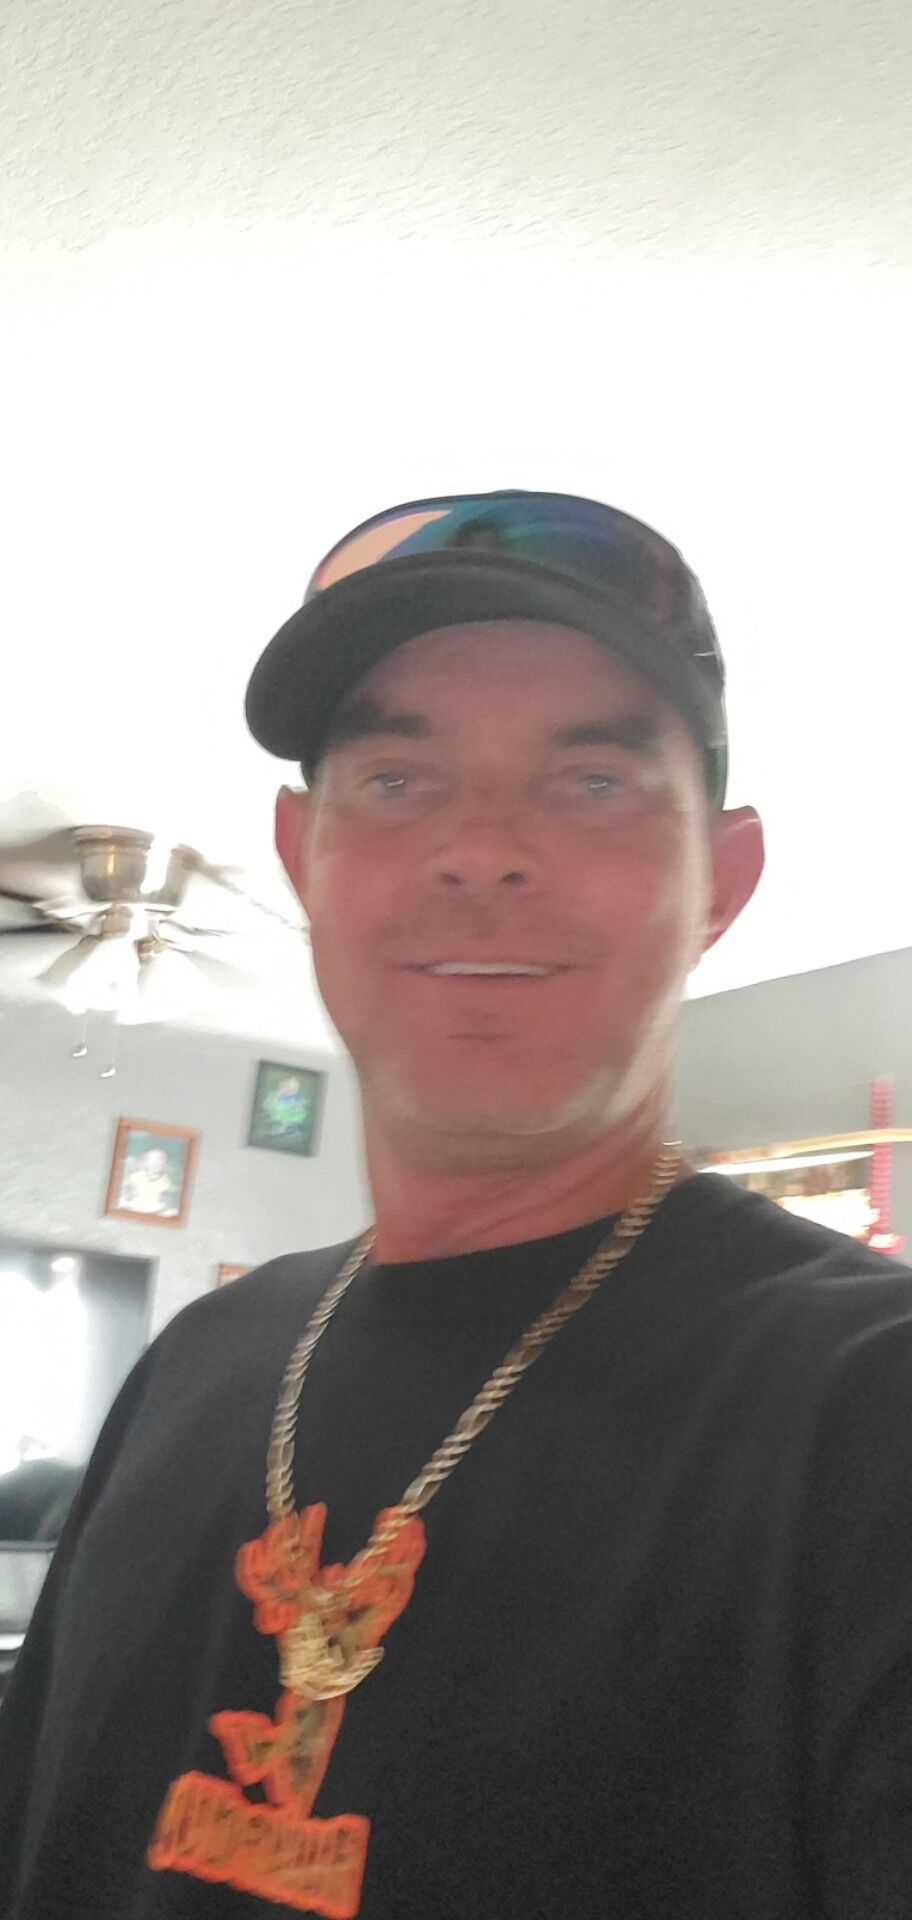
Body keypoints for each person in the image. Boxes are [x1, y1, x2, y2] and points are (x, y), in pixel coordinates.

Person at [1, 489, 911, 1920]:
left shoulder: (869, 1409)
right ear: (301, 858)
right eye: (395, 779)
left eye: (592, 781)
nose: (480, 850)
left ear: (721, 883)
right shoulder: (194, 1364)